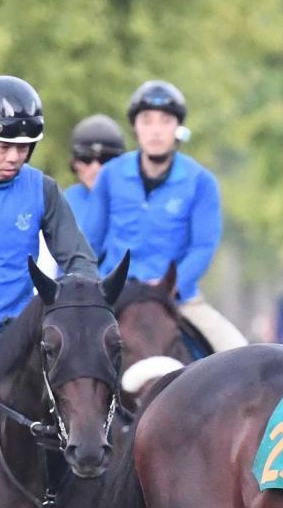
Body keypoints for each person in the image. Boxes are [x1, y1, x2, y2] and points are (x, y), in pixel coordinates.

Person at [83, 79, 246, 351]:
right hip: (114, 296)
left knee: (239, 352)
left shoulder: (201, 181)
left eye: (165, 121)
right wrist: (98, 285)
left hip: (177, 298)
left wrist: (172, 285)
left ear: (178, 128)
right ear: (135, 127)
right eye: (147, 121)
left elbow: (203, 246)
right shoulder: (110, 176)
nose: (156, 130)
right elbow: (90, 242)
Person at [0, 75, 98, 337]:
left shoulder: (43, 189)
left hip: (15, 335)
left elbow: (79, 260)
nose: (14, 158)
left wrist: (78, 296)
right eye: (4, 147)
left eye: (24, 148)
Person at [66, 114, 126, 225]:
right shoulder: (61, 203)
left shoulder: (133, 202)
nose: (95, 168)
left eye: (106, 159)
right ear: (74, 162)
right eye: (86, 158)